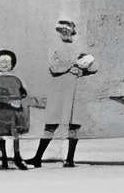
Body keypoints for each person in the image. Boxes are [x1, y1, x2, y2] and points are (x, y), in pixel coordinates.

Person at [29, 16, 96, 167]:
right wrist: (73, 65)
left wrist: (82, 71)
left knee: (74, 124)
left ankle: (70, 159)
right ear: (58, 31)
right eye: (62, 30)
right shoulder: (54, 47)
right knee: (51, 123)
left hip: (75, 91)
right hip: (58, 90)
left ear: (73, 31)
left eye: (68, 29)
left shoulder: (79, 47)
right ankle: (37, 158)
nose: (65, 32)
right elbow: (54, 67)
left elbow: (93, 66)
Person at [0, 49, 29, 170]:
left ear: (12, 64)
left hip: (16, 112)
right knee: (3, 134)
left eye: (7, 61)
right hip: (4, 112)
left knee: (16, 135)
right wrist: (10, 101)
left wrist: (20, 98)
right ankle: (4, 158)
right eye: (2, 62)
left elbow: (23, 92)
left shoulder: (16, 79)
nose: (5, 64)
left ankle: (17, 157)